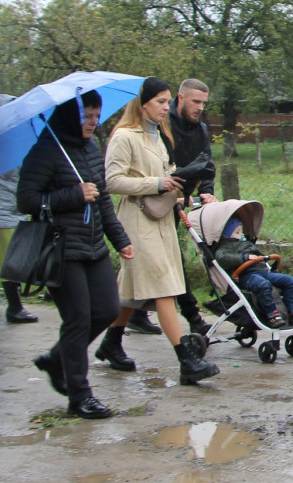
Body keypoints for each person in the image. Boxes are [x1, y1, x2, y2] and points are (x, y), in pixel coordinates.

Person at [94, 77, 220, 386]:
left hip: (161, 217)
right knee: (164, 286)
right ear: (144, 102)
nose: (166, 108)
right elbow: (111, 181)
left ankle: (111, 342)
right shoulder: (125, 136)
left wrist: (181, 194)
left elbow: (163, 177)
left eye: (167, 102)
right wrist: (157, 184)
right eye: (161, 102)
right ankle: (186, 360)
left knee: (132, 285)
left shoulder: (157, 136)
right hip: (136, 220)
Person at [16, 91, 132, 418]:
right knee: (78, 318)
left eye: (96, 116)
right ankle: (79, 395)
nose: (93, 123)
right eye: (87, 117)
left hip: (93, 245)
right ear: (71, 116)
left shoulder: (91, 149)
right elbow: (25, 200)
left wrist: (120, 238)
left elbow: (104, 200)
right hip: (60, 247)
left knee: (107, 309)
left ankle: (56, 359)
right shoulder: (45, 151)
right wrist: (72, 194)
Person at [164, 77, 216, 336]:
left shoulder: (201, 129)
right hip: (160, 197)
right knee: (170, 259)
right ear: (181, 99)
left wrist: (207, 193)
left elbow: (206, 162)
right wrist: (172, 192)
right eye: (196, 102)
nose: (200, 107)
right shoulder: (164, 125)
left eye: (204, 103)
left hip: (183, 198)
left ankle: (130, 316)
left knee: (159, 260)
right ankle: (193, 316)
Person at [0, 94, 38, 323]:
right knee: (9, 261)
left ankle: (15, 307)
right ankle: (15, 308)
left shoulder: (13, 139)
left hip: (7, 206)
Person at [214, 218, 293, 328]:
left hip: (261, 271)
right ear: (226, 235)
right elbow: (222, 258)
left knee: (288, 280)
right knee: (263, 284)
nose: (242, 234)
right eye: (237, 232)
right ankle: (272, 315)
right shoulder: (225, 247)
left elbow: (258, 254)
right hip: (245, 275)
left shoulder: (246, 244)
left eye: (241, 231)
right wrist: (244, 257)